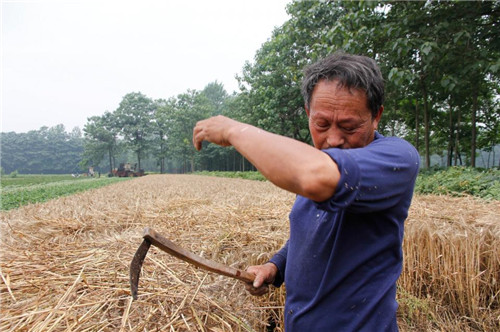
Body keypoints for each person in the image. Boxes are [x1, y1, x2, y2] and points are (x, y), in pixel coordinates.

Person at [193, 52, 420, 331]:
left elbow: (315, 177)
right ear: (308, 114)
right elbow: (310, 236)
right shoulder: (318, 162)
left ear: (376, 116)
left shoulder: (396, 158)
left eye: (349, 126)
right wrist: (274, 267)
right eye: (322, 124)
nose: (333, 140)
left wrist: (233, 131)